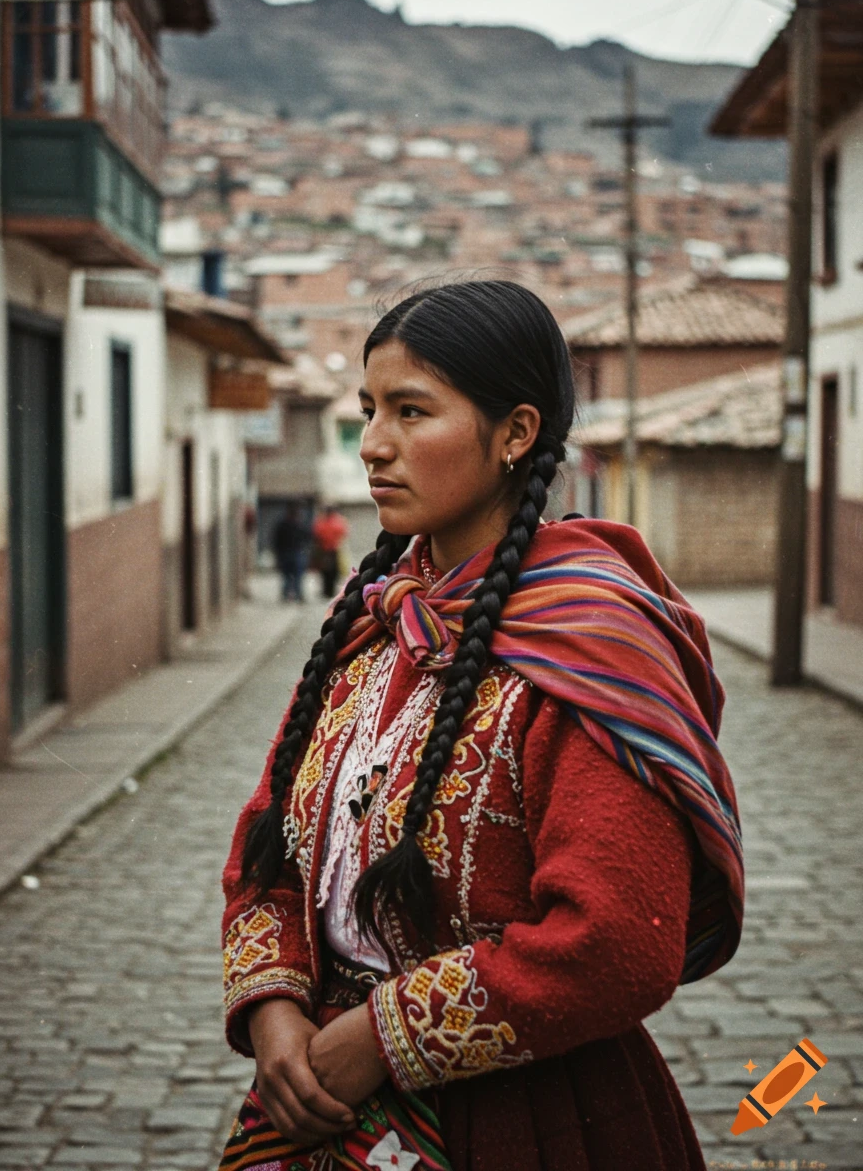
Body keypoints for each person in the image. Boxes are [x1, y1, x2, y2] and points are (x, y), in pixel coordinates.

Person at [219, 281, 744, 1171]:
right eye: (368, 410)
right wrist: (273, 1013)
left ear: (516, 433)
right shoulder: (373, 631)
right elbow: (264, 856)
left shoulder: (590, 649)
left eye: (412, 412)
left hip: (534, 1123)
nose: (374, 446)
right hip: (316, 1110)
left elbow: (618, 941)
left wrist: (380, 1036)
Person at [272, 502, 309, 603]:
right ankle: (296, 595)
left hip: (289, 553)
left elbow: (276, 541)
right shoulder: (298, 525)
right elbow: (307, 538)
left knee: (289, 576)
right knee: (293, 576)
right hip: (293, 553)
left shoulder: (286, 525)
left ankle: (289, 595)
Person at [311, 506, 350, 599]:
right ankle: (329, 591)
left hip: (326, 550)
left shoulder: (321, 522)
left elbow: (316, 534)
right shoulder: (338, 521)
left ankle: (327, 591)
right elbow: (344, 534)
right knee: (331, 572)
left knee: (327, 572)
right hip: (332, 550)